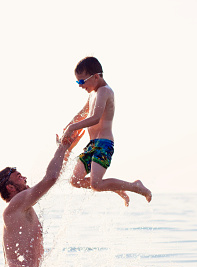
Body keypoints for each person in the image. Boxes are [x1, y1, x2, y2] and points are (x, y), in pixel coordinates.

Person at [62, 56, 152, 206]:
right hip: (91, 145)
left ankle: (135, 186)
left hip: (104, 144)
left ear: (96, 76)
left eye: (82, 81)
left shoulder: (104, 91)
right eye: (78, 81)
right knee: (75, 181)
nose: (80, 85)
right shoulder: (92, 94)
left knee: (96, 185)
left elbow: (96, 118)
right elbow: (82, 114)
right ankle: (115, 187)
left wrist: (72, 128)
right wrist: (67, 127)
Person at [0, 137, 74, 267]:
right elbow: (50, 178)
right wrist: (62, 148)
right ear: (10, 187)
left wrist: (65, 152)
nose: (25, 179)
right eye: (19, 177)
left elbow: (52, 177)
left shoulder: (22, 207)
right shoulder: (16, 204)